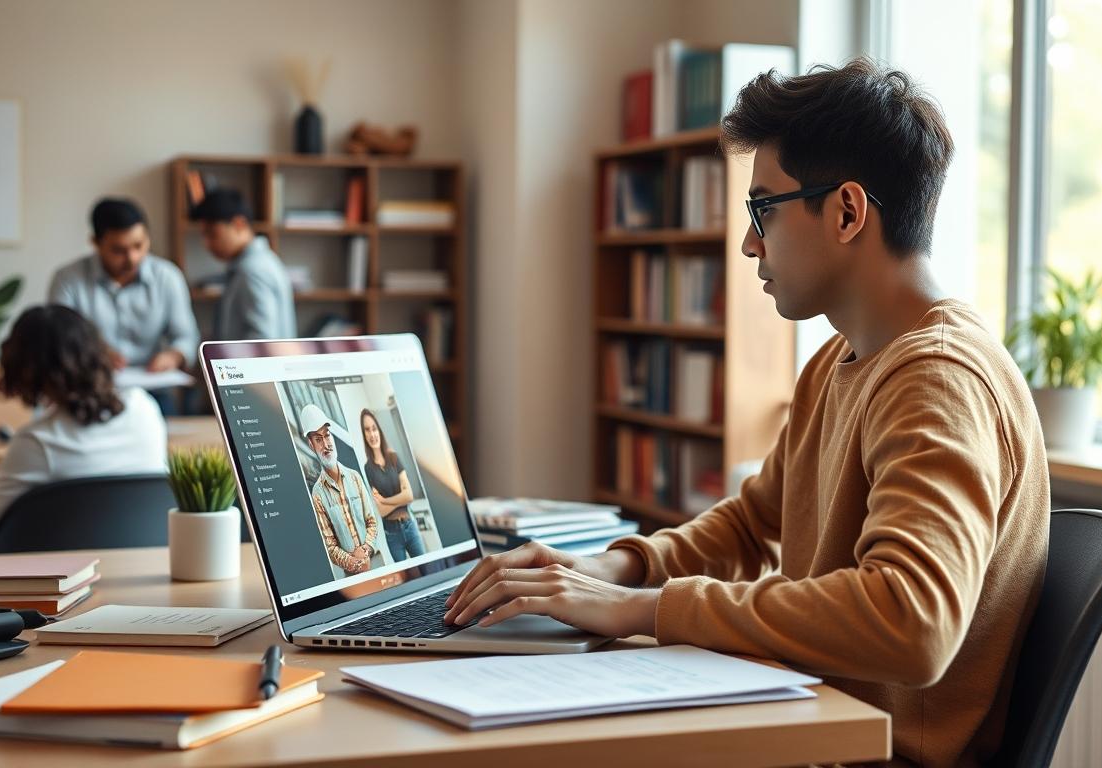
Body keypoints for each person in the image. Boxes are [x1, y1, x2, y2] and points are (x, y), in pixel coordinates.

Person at [444, 58, 1050, 767]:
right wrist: (613, 571)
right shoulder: (843, 360)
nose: (749, 243)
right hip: (811, 726)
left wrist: (646, 610)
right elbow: (753, 522)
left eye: (764, 208)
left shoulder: (937, 379)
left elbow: (912, 620)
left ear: (848, 211)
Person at [0, 305, 167, 552]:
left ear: (26, 367)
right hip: (142, 569)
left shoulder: (38, 442)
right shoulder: (144, 407)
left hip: (58, 582)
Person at [48, 197, 198, 413]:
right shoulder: (68, 279)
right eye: (119, 250)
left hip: (154, 395)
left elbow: (186, 336)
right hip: (89, 392)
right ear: (95, 243)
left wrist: (174, 355)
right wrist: (93, 351)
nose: (132, 258)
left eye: (139, 245)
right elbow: (58, 339)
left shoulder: (168, 277)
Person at [191, 189, 296, 341]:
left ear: (239, 224)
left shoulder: (252, 272)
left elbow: (262, 340)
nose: (206, 244)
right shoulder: (262, 262)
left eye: (212, 234)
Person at [301, 404, 381, 575]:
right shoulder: (318, 494)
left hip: (374, 565)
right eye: (318, 439)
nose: (326, 444)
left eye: (327, 436)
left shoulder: (355, 478)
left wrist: (365, 549)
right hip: (350, 576)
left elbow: (372, 521)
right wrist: (353, 562)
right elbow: (330, 545)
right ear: (311, 445)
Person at [358, 408, 427, 561]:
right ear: (364, 435)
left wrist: (385, 500)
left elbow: (409, 496)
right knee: (408, 580)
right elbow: (381, 511)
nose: (372, 434)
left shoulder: (394, 458)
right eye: (367, 430)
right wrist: (399, 498)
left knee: (427, 569)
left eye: (374, 428)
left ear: (379, 430)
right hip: (392, 535)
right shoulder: (368, 468)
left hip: (410, 526)